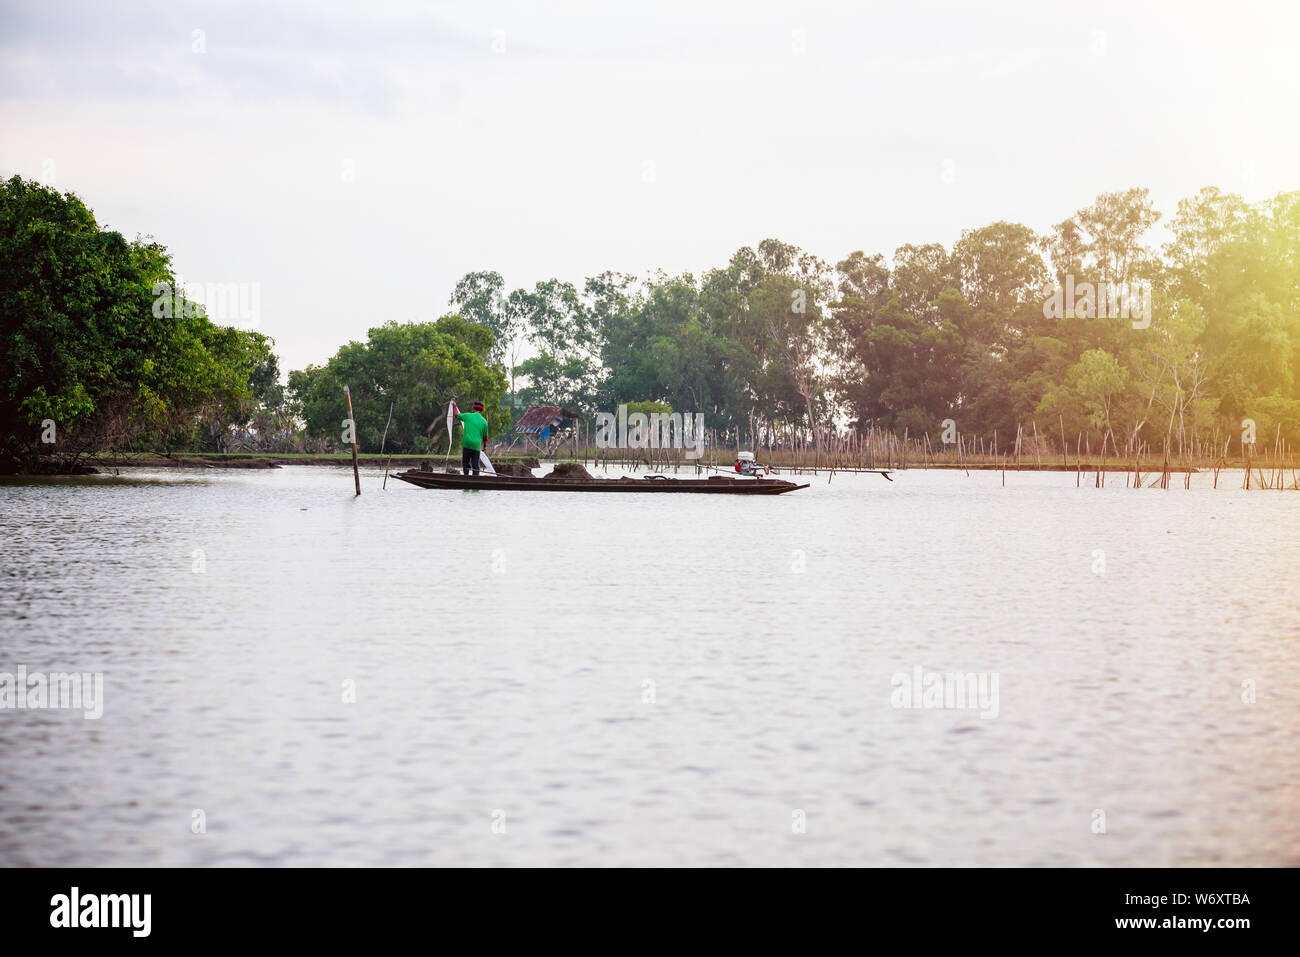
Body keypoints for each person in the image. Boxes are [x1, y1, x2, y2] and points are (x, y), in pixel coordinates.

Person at [452, 401, 489, 475]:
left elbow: (456, 415)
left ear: (474, 408)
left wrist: (454, 406)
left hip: (467, 444)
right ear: (481, 410)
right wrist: (484, 446)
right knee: (475, 465)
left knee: (465, 463)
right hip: (476, 446)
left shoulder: (468, 416)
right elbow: (485, 437)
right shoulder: (484, 422)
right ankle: (475, 480)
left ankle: (466, 477)